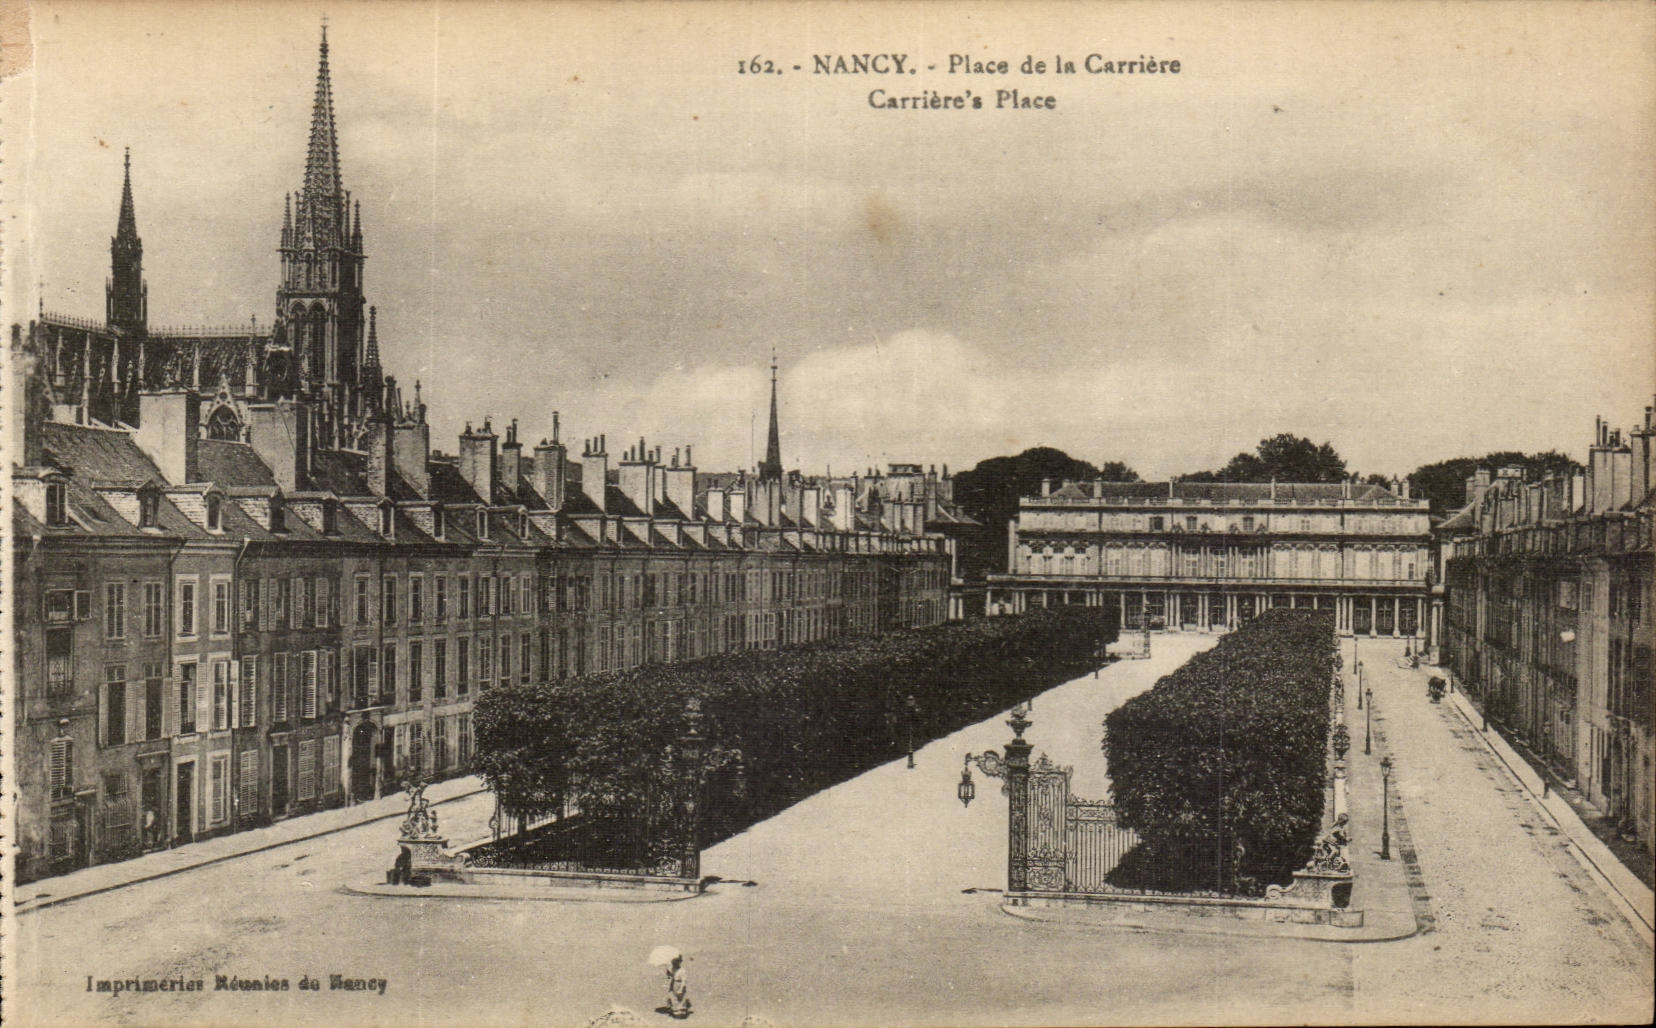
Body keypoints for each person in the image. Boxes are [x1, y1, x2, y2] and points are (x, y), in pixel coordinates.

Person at [666, 955, 691, 1019]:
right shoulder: (673, 969)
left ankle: (681, 1013)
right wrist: (668, 973)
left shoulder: (682, 970)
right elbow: (671, 976)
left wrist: (681, 989)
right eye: (673, 962)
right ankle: (675, 1011)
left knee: (681, 998)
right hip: (674, 984)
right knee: (674, 997)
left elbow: (683, 981)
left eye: (676, 962)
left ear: (680, 962)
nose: (674, 964)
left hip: (679, 984)